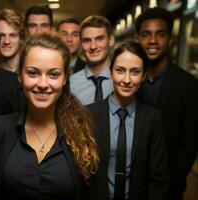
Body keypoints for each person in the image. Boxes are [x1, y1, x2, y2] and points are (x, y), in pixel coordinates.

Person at [0, 33, 99, 200]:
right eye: (33, 73)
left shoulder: (83, 132)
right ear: (20, 76)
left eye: (53, 74)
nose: (42, 84)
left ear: (64, 79)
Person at [86, 41, 169, 200]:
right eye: (120, 70)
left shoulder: (152, 118)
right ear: (111, 72)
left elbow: (159, 176)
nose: (127, 79)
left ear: (144, 75)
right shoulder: (89, 114)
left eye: (135, 72)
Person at [135, 7, 198, 200]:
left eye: (160, 34)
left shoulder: (189, 86)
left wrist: (165, 185)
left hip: (169, 188)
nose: (153, 41)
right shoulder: (128, 81)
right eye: (146, 34)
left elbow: (189, 144)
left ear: (170, 39)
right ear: (137, 39)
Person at [70, 15, 114, 105]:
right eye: (87, 40)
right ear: (81, 44)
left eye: (99, 39)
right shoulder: (71, 83)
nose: (93, 46)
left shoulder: (123, 80)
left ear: (111, 40)